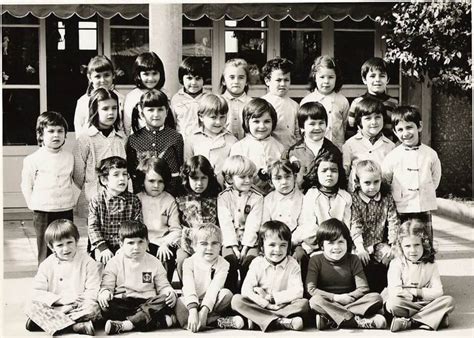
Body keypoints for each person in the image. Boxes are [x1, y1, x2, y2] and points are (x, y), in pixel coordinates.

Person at [98, 220, 178, 334]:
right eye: (131, 243)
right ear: (121, 244)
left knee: (165, 300)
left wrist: (169, 292)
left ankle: (127, 325)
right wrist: (105, 292)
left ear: (147, 242)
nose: (136, 247)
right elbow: (107, 285)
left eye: (141, 242)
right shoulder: (114, 262)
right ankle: (154, 321)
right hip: (124, 302)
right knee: (105, 306)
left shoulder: (154, 262)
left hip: (147, 302)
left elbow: (163, 285)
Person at [306, 218, 387, 330]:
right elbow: (311, 289)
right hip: (329, 302)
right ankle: (356, 321)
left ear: (347, 243)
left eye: (340, 242)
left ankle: (332, 320)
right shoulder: (315, 260)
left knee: (376, 298)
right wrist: (336, 298)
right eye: (330, 243)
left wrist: (349, 297)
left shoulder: (353, 259)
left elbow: (363, 288)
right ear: (321, 245)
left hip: (351, 301)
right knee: (314, 301)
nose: (336, 247)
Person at [25, 220, 101, 336]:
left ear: (76, 241)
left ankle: (47, 323)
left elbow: (93, 288)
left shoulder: (87, 262)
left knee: (95, 309)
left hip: (78, 307)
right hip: (55, 307)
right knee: (31, 306)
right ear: (51, 247)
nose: (66, 249)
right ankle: (75, 327)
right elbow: (36, 291)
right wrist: (59, 301)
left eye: (69, 242)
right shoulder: (47, 264)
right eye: (60, 245)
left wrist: (80, 303)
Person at [232, 220, 309, 331]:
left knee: (303, 304)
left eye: (283, 245)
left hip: (282, 305)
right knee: (236, 300)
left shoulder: (293, 264)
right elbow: (246, 290)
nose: (277, 250)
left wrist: (272, 298)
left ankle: (259, 319)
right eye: (272, 245)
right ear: (262, 246)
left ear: (288, 247)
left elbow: (298, 291)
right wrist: (266, 304)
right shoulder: (257, 263)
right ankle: (280, 322)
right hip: (261, 305)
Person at [21, 111, 75, 265]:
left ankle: (66, 275)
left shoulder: (69, 157)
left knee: (65, 245)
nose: (56, 135)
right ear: (41, 134)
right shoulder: (33, 159)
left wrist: (72, 201)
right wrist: (32, 204)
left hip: (64, 209)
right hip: (43, 211)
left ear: (65, 135)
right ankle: (44, 278)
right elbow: (26, 184)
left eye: (60, 131)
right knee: (46, 247)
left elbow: (74, 180)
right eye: (51, 131)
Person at [382, 106, 441, 241]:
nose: (405, 133)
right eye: (400, 130)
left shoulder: (430, 154)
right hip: (401, 207)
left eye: (409, 127)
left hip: (423, 206)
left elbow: (435, 179)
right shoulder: (392, 157)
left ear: (419, 126)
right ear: (395, 132)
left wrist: (423, 191)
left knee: (424, 242)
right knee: (404, 241)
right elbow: (386, 181)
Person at [385, 220, 454, 332]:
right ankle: (433, 318)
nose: (413, 250)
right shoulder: (396, 264)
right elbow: (395, 291)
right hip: (405, 303)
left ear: (424, 244)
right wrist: (420, 294)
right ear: (401, 246)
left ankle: (409, 322)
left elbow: (438, 292)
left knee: (449, 301)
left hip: (424, 303)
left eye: (417, 245)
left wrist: (416, 292)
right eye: (407, 246)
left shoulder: (431, 265)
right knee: (392, 304)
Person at [175, 223, 245, 331]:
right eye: (204, 243)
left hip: (212, 303)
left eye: (214, 243)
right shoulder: (188, 263)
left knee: (227, 294)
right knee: (179, 302)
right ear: (194, 246)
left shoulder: (224, 264)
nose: (209, 248)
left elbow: (215, 288)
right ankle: (216, 322)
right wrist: (193, 310)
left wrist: (204, 310)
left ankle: (202, 321)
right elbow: (189, 287)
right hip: (193, 301)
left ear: (220, 246)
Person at [73, 88, 127, 218]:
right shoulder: (86, 138)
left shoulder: (121, 137)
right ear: (95, 110)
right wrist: (89, 187)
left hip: (119, 196)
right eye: (105, 108)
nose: (111, 113)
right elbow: (78, 172)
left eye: (114, 108)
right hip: (93, 196)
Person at [350, 160, 400, 293]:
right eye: (367, 183)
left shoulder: (386, 198)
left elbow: (393, 221)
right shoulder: (354, 199)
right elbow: (355, 223)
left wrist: (393, 244)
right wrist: (360, 247)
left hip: (379, 243)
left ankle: (391, 290)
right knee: (355, 260)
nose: (372, 187)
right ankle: (361, 291)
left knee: (394, 257)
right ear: (358, 182)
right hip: (359, 244)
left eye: (376, 182)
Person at [218, 155, 263, 293]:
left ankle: (247, 294)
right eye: (243, 177)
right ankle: (229, 295)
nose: (248, 180)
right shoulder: (223, 197)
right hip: (230, 241)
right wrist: (234, 247)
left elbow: (253, 225)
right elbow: (225, 223)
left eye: (250, 176)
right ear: (230, 178)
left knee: (250, 260)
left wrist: (244, 248)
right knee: (228, 260)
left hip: (250, 241)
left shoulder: (257, 197)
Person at [126, 89, 183, 194]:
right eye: (151, 110)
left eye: (160, 109)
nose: (156, 114)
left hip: (170, 193)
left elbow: (180, 165)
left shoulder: (176, 137)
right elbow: (132, 170)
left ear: (167, 111)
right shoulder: (134, 139)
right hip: (142, 193)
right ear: (142, 114)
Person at [88, 156, 142, 265]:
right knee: (100, 265)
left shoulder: (133, 200)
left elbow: (137, 226)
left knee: (131, 265)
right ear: (104, 180)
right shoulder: (97, 200)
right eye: (116, 175)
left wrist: (126, 247)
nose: (122, 178)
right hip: (102, 245)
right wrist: (102, 248)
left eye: (125, 174)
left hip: (126, 245)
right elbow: (93, 227)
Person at [135, 155, 181, 282]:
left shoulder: (169, 200)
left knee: (166, 256)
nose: (156, 185)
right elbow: (134, 226)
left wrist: (165, 243)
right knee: (144, 265)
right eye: (151, 181)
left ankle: (164, 289)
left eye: (160, 181)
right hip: (144, 242)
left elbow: (176, 229)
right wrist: (143, 242)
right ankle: (146, 289)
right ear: (143, 180)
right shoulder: (137, 199)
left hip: (163, 243)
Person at [175, 155, 222, 280]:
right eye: (195, 178)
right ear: (187, 178)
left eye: (203, 178)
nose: (199, 183)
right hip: (188, 242)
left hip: (210, 241)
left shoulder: (216, 197)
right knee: (181, 259)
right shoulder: (180, 197)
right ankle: (187, 289)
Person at [297, 151, 350, 257]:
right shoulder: (311, 195)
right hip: (315, 246)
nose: (329, 174)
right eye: (324, 171)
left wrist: (335, 245)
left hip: (338, 246)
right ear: (316, 173)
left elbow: (347, 225)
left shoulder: (345, 196)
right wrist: (323, 246)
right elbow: (308, 226)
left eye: (334, 170)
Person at [230, 98, 285, 195]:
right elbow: (234, 177)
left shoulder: (279, 147)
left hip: (274, 196)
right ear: (247, 122)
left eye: (267, 121)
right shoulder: (239, 148)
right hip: (246, 195)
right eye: (256, 121)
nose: (262, 126)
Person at [284, 102, 341, 190]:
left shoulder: (333, 150)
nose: (317, 128)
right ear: (302, 127)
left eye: (321, 123)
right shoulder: (294, 151)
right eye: (312, 124)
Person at [342, 96, 395, 192]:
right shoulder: (349, 144)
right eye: (368, 118)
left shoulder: (391, 146)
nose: (374, 122)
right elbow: (345, 173)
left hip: (381, 197)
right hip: (356, 197)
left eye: (378, 117)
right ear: (359, 121)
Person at [184, 93, 237, 187]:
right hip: (199, 190)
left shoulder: (232, 141)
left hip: (223, 191)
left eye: (222, 117)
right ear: (201, 117)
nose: (218, 122)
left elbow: (234, 171)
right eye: (213, 117)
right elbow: (187, 167)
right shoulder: (192, 139)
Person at [300, 55, 349, 150]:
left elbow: (344, 126)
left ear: (336, 78)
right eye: (322, 77)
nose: (326, 81)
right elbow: (302, 128)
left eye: (330, 77)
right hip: (313, 148)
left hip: (337, 148)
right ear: (314, 77)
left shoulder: (342, 101)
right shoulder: (307, 101)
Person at [347, 57, 398, 141]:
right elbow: (350, 130)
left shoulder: (393, 103)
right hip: (362, 149)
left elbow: (397, 129)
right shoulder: (357, 102)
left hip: (387, 149)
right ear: (364, 79)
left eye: (382, 76)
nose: (377, 80)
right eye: (372, 76)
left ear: (387, 80)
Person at [74, 55, 124, 137]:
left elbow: (124, 128)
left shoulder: (121, 99)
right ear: (89, 77)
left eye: (106, 75)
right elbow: (79, 129)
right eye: (97, 76)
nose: (102, 80)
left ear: (113, 75)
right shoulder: (83, 101)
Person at [261, 58, 300, 149]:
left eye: (286, 80)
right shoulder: (261, 104)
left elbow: (298, 134)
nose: (283, 84)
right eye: (278, 80)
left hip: (290, 151)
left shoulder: (294, 106)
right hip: (269, 151)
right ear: (267, 81)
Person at [123, 52, 166, 135]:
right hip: (140, 141)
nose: (151, 78)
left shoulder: (165, 94)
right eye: (146, 74)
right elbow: (127, 125)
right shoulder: (132, 97)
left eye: (154, 73)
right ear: (138, 75)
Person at [171, 56, 207, 141]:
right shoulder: (176, 99)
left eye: (198, 78)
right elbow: (173, 123)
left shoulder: (209, 98)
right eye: (189, 78)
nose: (194, 83)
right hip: (182, 142)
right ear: (182, 79)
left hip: (203, 142)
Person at [219, 58, 253, 140]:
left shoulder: (252, 103)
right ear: (223, 81)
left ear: (247, 81)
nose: (236, 81)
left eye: (241, 77)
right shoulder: (218, 102)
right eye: (232, 77)